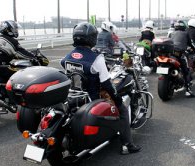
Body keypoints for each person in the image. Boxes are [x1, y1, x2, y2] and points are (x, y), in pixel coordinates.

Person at [60, 22, 141, 155]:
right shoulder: (96, 58)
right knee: (123, 110)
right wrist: (117, 99)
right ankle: (127, 144)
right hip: (93, 98)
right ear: (92, 39)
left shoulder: (67, 57)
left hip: (74, 97)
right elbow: (107, 84)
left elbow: (65, 68)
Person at [171, 20, 194, 96]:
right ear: (183, 26)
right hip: (180, 54)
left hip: (170, 53)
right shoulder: (186, 33)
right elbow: (190, 44)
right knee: (186, 71)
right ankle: (188, 90)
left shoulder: (172, 33)